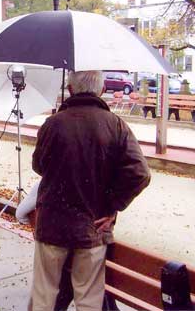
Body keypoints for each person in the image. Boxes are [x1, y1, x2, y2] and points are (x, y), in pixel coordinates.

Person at [29, 71, 151, 311]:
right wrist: (113, 205)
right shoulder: (115, 124)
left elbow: (38, 165)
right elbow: (140, 173)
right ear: (102, 90)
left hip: (51, 226)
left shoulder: (53, 123)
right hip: (92, 227)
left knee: (44, 296)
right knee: (88, 300)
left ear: (71, 90)